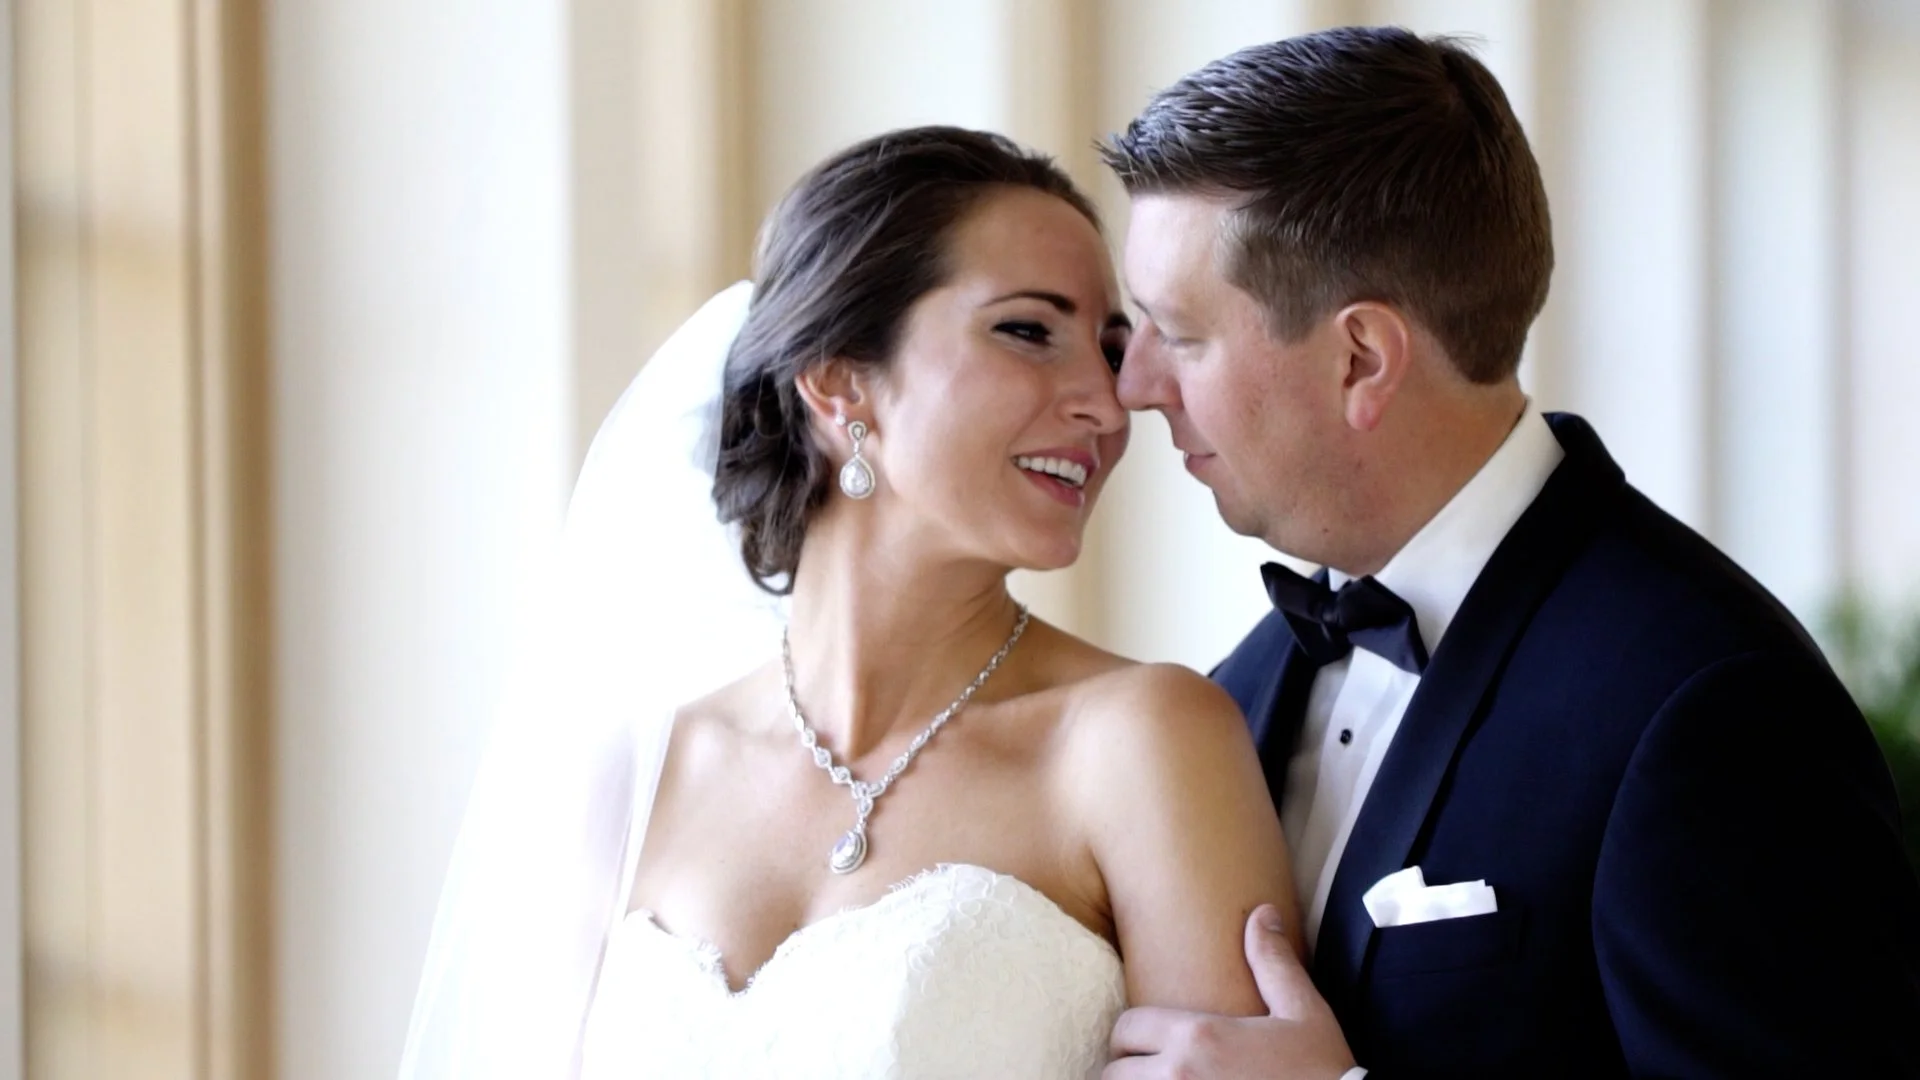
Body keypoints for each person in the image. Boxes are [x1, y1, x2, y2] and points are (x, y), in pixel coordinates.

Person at [1099, 26, 1920, 1078]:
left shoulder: (1712, 705)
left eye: (1180, 333)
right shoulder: (1234, 691)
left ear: (1361, 358)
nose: (1136, 386)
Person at [398, 126, 1296, 1079]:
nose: (1107, 405)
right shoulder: (632, 783)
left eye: (1108, 350)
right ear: (837, 381)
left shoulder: (1145, 742)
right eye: (1029, 331)